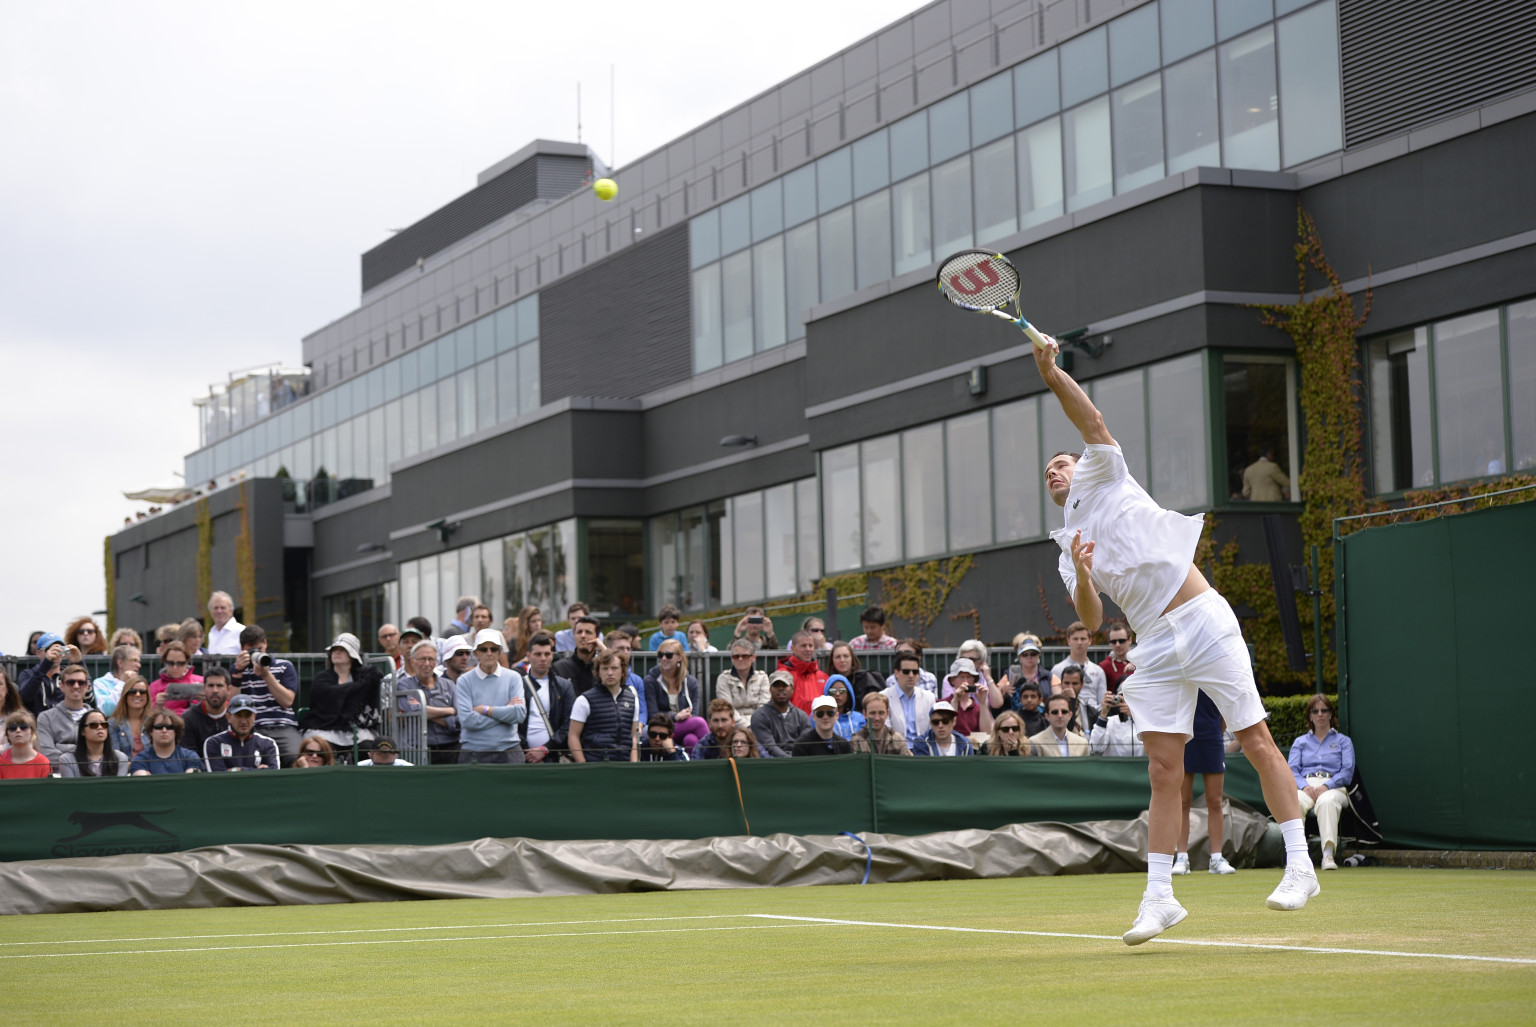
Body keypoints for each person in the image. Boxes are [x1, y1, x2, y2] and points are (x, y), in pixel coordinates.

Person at [1034, 335, 1317, 943]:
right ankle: (1159, 896)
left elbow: (1093, 420)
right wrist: (1083, 571)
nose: (1055, 472)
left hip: (1201, 619)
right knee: (1164, 771)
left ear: (1081, 465)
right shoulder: (1066, 547)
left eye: (1061, 463)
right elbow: (1086, 611)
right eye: (1048, 472)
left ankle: (1300, 862)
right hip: (1154, 646)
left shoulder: (1105, 470)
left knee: (1257, 737)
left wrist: (1052, 373)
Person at [1289, 695, 1356, 872]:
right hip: (1306, 785)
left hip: (1333, 786)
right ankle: (1297, 859)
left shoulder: (1344, 741)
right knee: (1294, 800)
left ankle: (1328, 855)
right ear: (1310, 716)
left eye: (1324, 710)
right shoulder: (1300, 742)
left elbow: (1347, 772)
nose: (1320, 714)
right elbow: (1292, 771)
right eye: (1315, 711)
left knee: (1326, 801)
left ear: (1330, 714)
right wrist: (1305, 786)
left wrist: (1327, 785)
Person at [1175, 692, 1236, 875]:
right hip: (1185, 738)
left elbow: (1224, 715)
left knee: (1215, 801)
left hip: (1212, 737)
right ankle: (1182, 857)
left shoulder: (1212, 670)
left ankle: (1216, 858)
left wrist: (1215, 731)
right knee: (1183, 801)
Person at [300, 633, 383, 758]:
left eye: (342, 650)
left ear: (352, 655)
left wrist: (357, 687)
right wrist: (357, 688)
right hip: (324, 728)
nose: (337, 653)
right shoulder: (322, 678)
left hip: (356, 730)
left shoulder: (364, 676)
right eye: (334, 650)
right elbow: (331, 695)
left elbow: (375, 677)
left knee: (367, 749)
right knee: (323, 749)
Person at [453, 629, 528, 764]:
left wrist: (487, 710)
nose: (489, 653)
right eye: (483, 649)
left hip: (509, 751)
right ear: (475, 653)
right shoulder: (464, 681)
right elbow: (467, 720)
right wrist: (506, 712)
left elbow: (519, 714)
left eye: (493, 649)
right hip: (474, 753)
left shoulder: (513, 678)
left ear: (499, 652)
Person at [234, 624, 301, 763]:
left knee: (296, 757)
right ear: (242, 649)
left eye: (259, 649)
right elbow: (231, 702)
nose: (256, 653)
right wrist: (238, 671)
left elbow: (287, 701)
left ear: (265, 643)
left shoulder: (284, 666)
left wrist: (266, 675)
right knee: (248, 759)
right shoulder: (238, 670)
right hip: (252, 727)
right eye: (251, 650)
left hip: (283, 725)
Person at [568, 649, 639, 762]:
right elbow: (573, 737)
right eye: (605, 668)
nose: (610, 673)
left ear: (623, 671)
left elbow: (633, 736)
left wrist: (633, 765)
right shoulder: (584, 700)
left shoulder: (632, 698)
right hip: (595, 767)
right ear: (598, 672)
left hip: (625, 768)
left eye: (614, 668)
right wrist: (584, 767)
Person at [518, 632, 575, 764]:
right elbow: (511, 722)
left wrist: (546, 749)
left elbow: (569, 723)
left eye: (547, 654)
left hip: (554, 757)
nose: (543, 658)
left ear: (552, 656)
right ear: (528, 656)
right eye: (538, 654)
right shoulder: (517, 685)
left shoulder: (564, 686)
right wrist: (527, 751)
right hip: (521, 757)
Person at [643, 640, 706, 748]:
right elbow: (652, 715)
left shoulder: (691, 682)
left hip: (684, 726)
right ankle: (713, 758)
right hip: (660, 728)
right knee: (699, 723)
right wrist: (675, 717)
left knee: (691, 739)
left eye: (668, 655)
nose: (663, 658)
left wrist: (686, 717)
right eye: (660, 655)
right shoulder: (650, 680)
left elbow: (694, 713)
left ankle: (694, 764)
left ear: (680, 658)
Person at [36, 663, 96, 761]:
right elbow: (47, 754)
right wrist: (85, 755)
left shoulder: (97, 718)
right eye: (71, 682)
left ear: (87, 687)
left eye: (81, 683)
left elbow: (103, 753)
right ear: (62, 686)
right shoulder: (46, 717)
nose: (76, 686)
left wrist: (61, 747)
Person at [204, 694, 279, 771]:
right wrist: (258, 770)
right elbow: (218, 778)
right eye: (238, 715)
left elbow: (273, 776)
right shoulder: (214, 743)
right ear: (228, 717)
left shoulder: (267, 744)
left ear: (254, 716)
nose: (243, 721)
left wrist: (237, 770)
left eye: (248, 715)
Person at [881, 652, 937, 751]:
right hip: (895, 752)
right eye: (906, 671)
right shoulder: (883, 697)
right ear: (896, 673)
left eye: (915, 672)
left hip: (924, 751)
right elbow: (886, 732)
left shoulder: (929, 697)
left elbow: (932, 730)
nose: (911, 675)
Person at [750, 670, 811, 758]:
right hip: (771, 763)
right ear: (770, 689)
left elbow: (805, 744)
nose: (781, 688)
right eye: (776, 685)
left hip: (799, 762)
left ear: (792, 689)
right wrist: (789, 761)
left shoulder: (802, 716)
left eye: (785, 685)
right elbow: (769, 747)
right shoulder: (759, 715)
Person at [1052, 621, 1108, 711]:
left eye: (1083, 639)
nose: (1079, 642)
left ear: (1090, 640)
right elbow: (1057, 699)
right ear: (1068, 640)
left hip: (1094, 715)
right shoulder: (1058, 669)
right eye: (1075, 639)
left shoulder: (1098, 671)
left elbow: (1102, 702)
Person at [56, 711, 130, 777]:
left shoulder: (120, 758)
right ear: (82, 731)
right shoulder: (67, 760)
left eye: (104, 725)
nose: (100, 727)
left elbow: (119, 788)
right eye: (93, 725)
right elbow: (70, 790)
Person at [716, 638, 770, 727]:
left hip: (760, 725)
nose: (740, 659)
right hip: (732, 726)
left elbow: (764, 707)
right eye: (736, 656)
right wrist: (747, 726)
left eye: (744, 656)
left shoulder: (762, 678)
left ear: (753, 658)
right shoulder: (723, 679)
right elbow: (727, 709)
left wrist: (756, 725)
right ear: (731, 658)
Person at [128, 711, 202, 774]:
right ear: (151, 731)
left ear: (176, 731)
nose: (164, 730)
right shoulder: (140, 759)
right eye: (159, 727)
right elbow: (142, 783)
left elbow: (191, 782)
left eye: (169, 727)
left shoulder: (191, 756)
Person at [178, 668, 229, 757]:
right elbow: (189, 756)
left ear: (229, 689)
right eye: (210, 686)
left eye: (220, 686)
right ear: (204, 689)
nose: (215, 690)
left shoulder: (237, 715)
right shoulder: (189, 718)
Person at [18, 632, 72, 715]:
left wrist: (79, 662)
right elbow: (25, 697)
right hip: (37, 724)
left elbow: (88, 697)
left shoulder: (69, 673)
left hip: (64, 724)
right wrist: (46, 663)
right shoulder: (28, 674)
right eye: (49, 650)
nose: (55, 653)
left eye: (59, 649)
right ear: (38, 653)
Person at [604, 631, 651, 725]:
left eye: (628, 649)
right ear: (609, 650)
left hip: (633, 725)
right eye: (621, 648)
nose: (626, 652)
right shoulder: (602, 676)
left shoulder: (637, 680)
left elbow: (642, 711)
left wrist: (640, 725)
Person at [823, 642, 884, 709]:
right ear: (832, 661)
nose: (842, 660)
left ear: (852, 658)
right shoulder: (826, 681)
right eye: (838, 657)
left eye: (846, 656)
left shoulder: (866, 678)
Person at [778, 630, 828, 713]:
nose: (808, 649)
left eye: (810, 646)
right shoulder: (782, 675)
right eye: (803, 646)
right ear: (793, 648)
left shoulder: (824, 677)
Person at [148, 641, 203, 715]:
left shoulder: (200, 681)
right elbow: (147, 716)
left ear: (187, 662)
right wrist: (157, 705)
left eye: (180, 663)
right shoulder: (154, 686)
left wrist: (206, 702)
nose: (175, 667)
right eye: (170, 663)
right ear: (164, 661)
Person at [942, 658, 993, 736]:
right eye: (961, 677)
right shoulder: (942, 704)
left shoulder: (977, 708)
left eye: (969, 677)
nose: (965, 681)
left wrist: (983, 703)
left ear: (974, 681)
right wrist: (955, 701)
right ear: (953, 680)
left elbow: (987, 734)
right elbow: (945, 729)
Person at [107, 674, 153, 758]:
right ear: (125, 696)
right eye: (132, 691)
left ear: (147, 696)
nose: (138, 694)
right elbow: (115, 756)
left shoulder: (154, 722)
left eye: (142, 692)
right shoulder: (113, 724)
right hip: (125, 769)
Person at [553, 616, 601, 696]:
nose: (583, 636)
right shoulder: (560, 668)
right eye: (579, 632)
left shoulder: (603, 668)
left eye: (588, 632)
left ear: (597, 638)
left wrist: (603, 650)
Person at [1090, 687, 1144, 757]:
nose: (1125, 702)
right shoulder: (1110, 722)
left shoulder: (1145, 722)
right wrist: (1103, 713)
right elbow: (1095, 748)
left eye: (1129, 698)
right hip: (1113, 766)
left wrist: (1135, 716)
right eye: (1121, 698)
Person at [92, 644, 142, 715]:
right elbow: (107, 711)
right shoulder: (100, 683)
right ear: (120, 663)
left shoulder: (138, 684)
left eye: (139, 662)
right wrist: (122, 683)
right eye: (134, 660)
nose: (139, 665)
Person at [0, 711, 51, 779]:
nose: (18, 730)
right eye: (12, 728)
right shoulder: (1, 761)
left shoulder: (44, 762)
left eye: (23, 727)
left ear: (32, 732)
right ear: (7, 734)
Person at [822, 675, 865, 740]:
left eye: (842, 690)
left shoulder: (859, 718)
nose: (837, 694)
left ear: (848, 694)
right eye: (833, 691)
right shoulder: (821, 717)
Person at [1101, 622, 1135, 692]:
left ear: (1130, 640)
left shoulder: (1140, 662)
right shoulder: (1104, 666)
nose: (1117, 645)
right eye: (1113, 641)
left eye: (1121, 641)